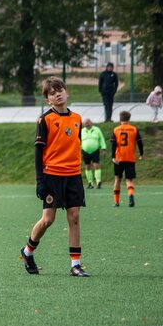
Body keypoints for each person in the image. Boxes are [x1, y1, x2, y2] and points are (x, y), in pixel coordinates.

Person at [20, 77, 90, 277]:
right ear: (47, 100)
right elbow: (38, 152)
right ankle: (28, 251)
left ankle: (75, 265)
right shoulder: (45, 120)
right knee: (48, 219)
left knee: (74, 217)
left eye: (60, 90)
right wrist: (40, 180)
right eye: (52, 93)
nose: (57, 94)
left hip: (73, 175)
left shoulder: (77, 119)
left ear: (67, 92)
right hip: (52, 176)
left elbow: (75, 144)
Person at [110, 110, 143, 207]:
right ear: (129, 118)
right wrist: (141, 154)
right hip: (130, 158)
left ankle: (116, 202)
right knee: (129, 180)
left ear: (120, 118)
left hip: (118, 158)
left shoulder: (116, 129)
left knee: (117, 179)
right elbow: (140, 142)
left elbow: (113, 144)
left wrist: (113, 156)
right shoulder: (134, 129)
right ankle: (131, 195)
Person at [80, 117, 107, 189]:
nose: (87, 124)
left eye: (88, 123)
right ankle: (90, 183)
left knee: (96, 166)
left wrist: (103, 148)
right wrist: (79, 151)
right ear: (83, 124)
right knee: (87, 166)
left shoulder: (97, 130)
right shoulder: (82, 131)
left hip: (95, 150)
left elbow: (101, 139)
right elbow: (79, 141)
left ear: (91, 123)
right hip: (85, 151)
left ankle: (98, 182)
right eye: (86, 123)